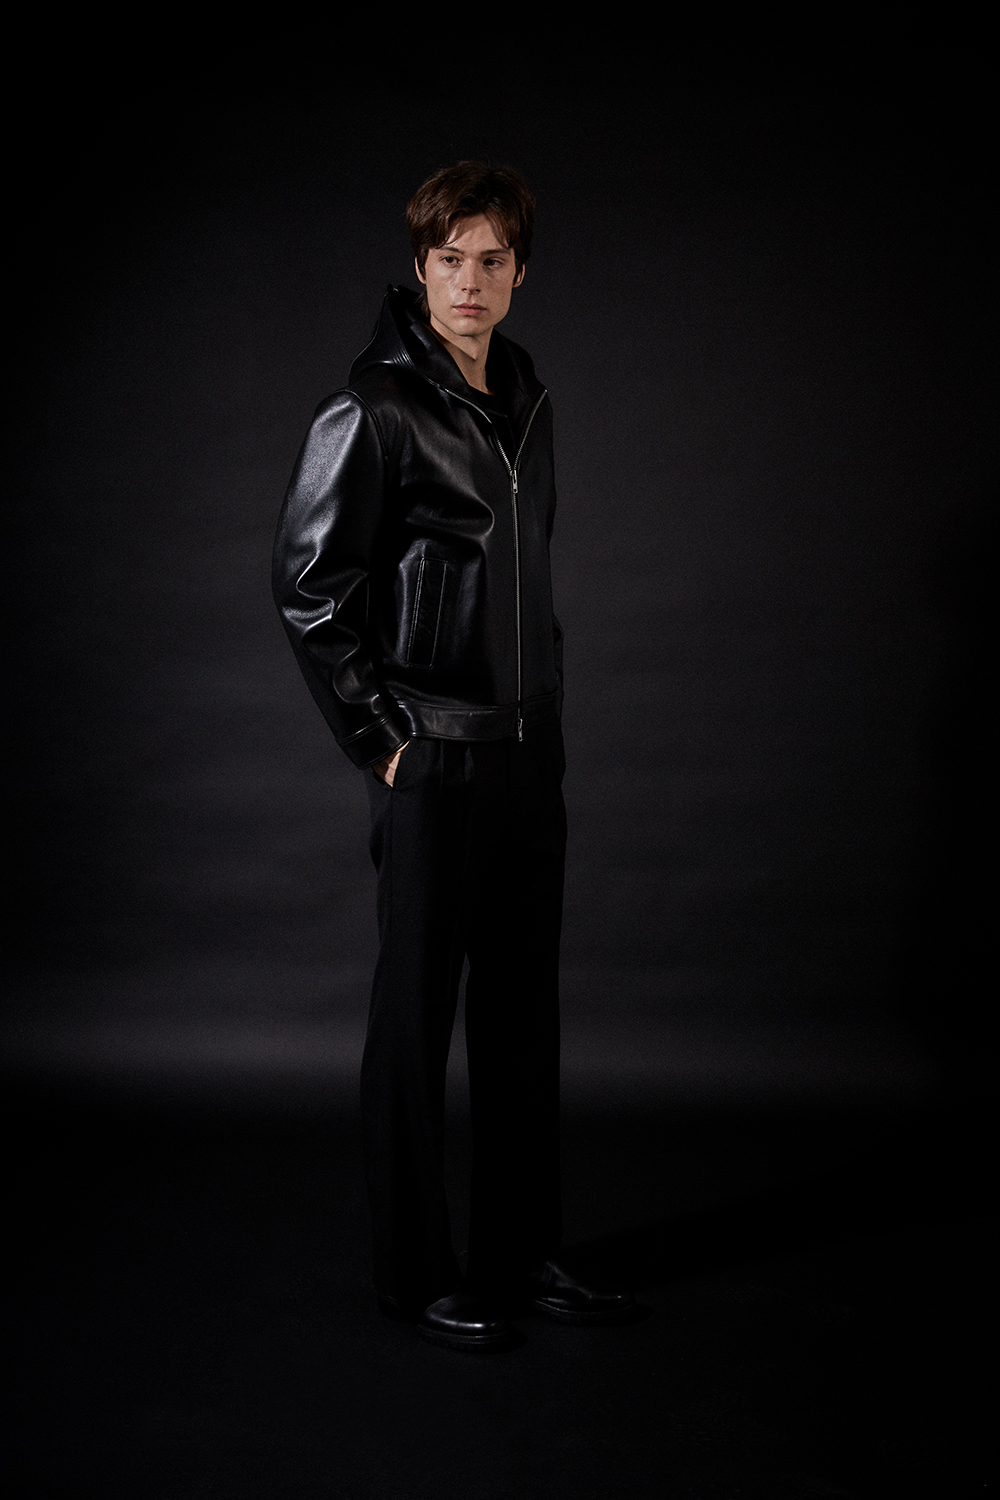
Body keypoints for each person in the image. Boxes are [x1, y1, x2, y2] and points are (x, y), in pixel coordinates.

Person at [273, 161, 634, 1349]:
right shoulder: (371, 408)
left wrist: (546, 707)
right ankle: (416, 1274)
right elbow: (308, 587)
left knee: (522, 1021)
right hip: (432, 760)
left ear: (519, 272)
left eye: (490, 260)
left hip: (529, 757)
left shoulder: (527, 397)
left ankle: (520, 1254)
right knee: (415, 1020)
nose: (468, 280)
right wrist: (382, 740)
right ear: (419, 268)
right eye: (448, 259)